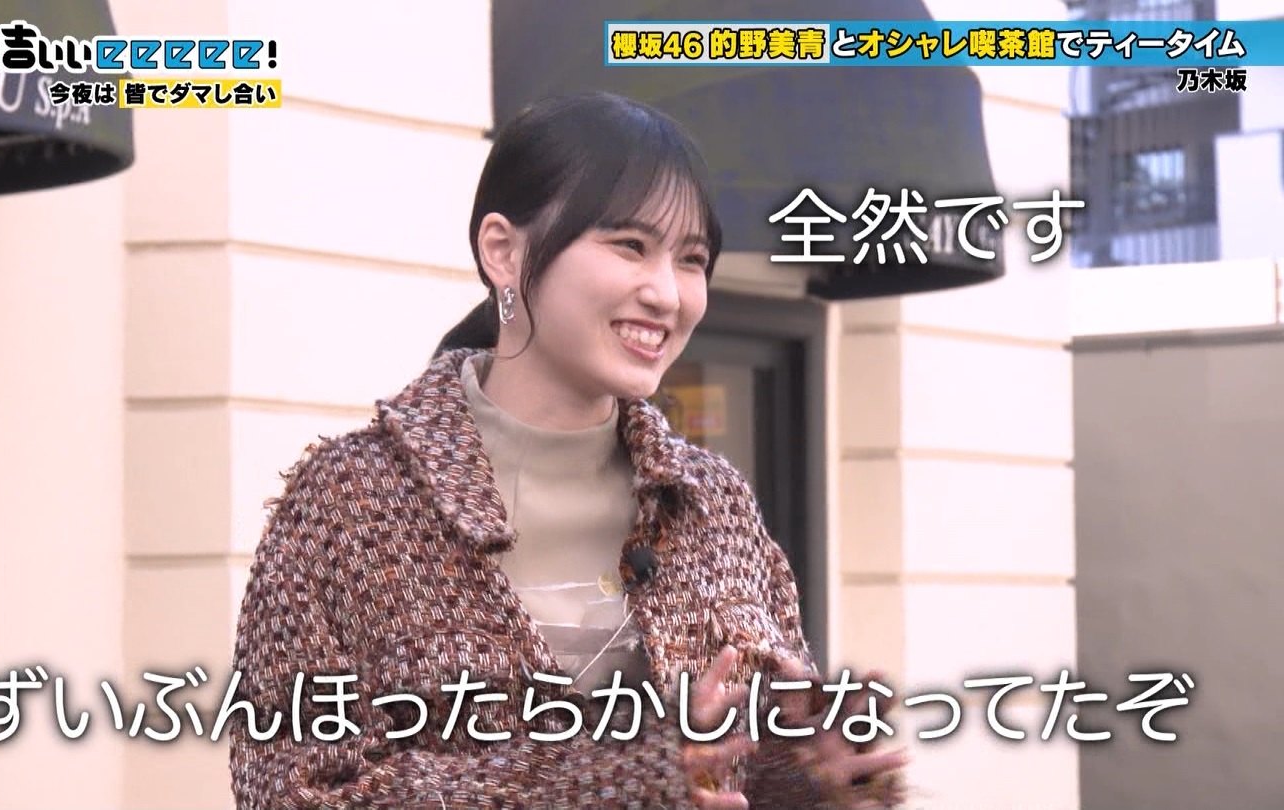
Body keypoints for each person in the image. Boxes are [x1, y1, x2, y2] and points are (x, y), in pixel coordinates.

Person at [228, 91, 909, 809]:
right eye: (630, 246)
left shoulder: (714, 503)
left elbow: (729, 768)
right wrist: (616, 782)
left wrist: (810, 770)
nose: (667, 294)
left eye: (692, 259)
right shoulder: (350, 504)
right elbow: (291, 792)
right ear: (503, 251)